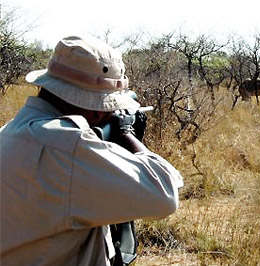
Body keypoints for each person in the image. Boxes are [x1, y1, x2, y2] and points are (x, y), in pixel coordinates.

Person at [0, 35, 183, 266]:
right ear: (98, 111)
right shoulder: (68, 143)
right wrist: (126, 134)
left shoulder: (10, 131)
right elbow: (164, 196)